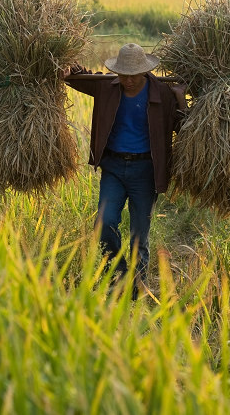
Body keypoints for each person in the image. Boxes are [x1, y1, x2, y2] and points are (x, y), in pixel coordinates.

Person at [64, 43, 187, 299]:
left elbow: (184, 127)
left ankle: (137, 285)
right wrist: (70, 71)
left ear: (144, 72)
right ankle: (118, 277)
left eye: (134, 75)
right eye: (123, 74)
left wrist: (181, 99)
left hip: (146, 170)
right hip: (114, 168)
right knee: (104, 223)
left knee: (138, 234)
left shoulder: (163, 93)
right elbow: (80, 79)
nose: (128, 81)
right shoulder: (107, 87)